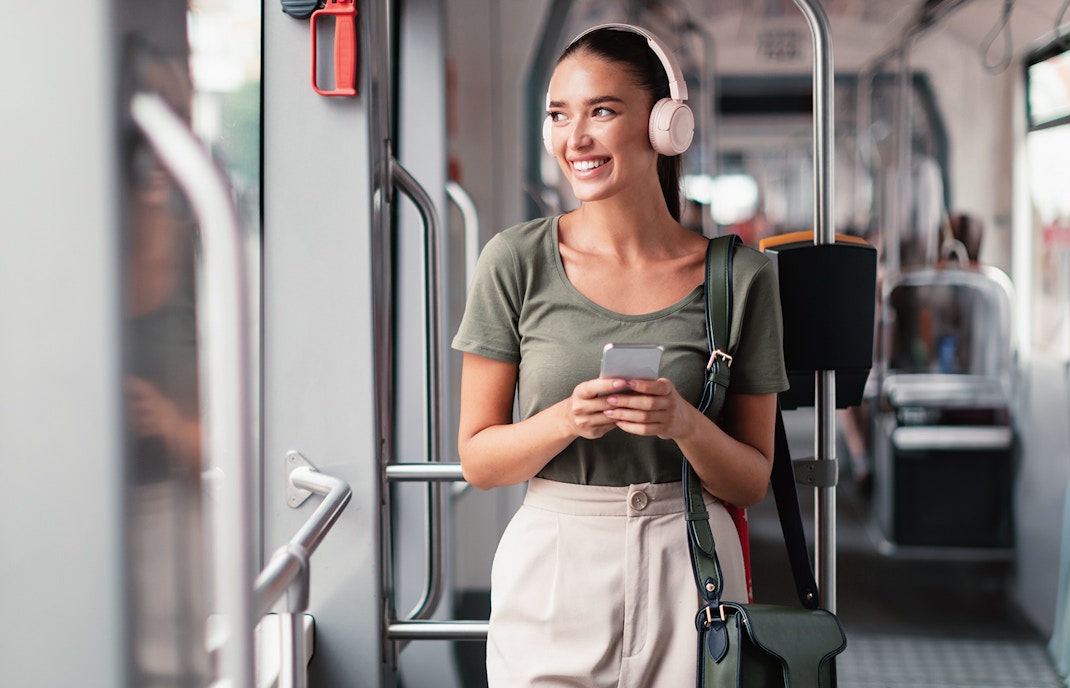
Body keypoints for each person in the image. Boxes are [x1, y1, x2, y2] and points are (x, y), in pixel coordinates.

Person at [451, 24, 788, 687]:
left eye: (601, 111)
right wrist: (567, 420)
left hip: (691, 571)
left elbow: (751, 481)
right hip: (554, 565)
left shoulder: (741, 277)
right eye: (558, 115)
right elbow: (479, 459)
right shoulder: (513, 261)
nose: (574, 139)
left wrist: (683, 424)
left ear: (665, 126)